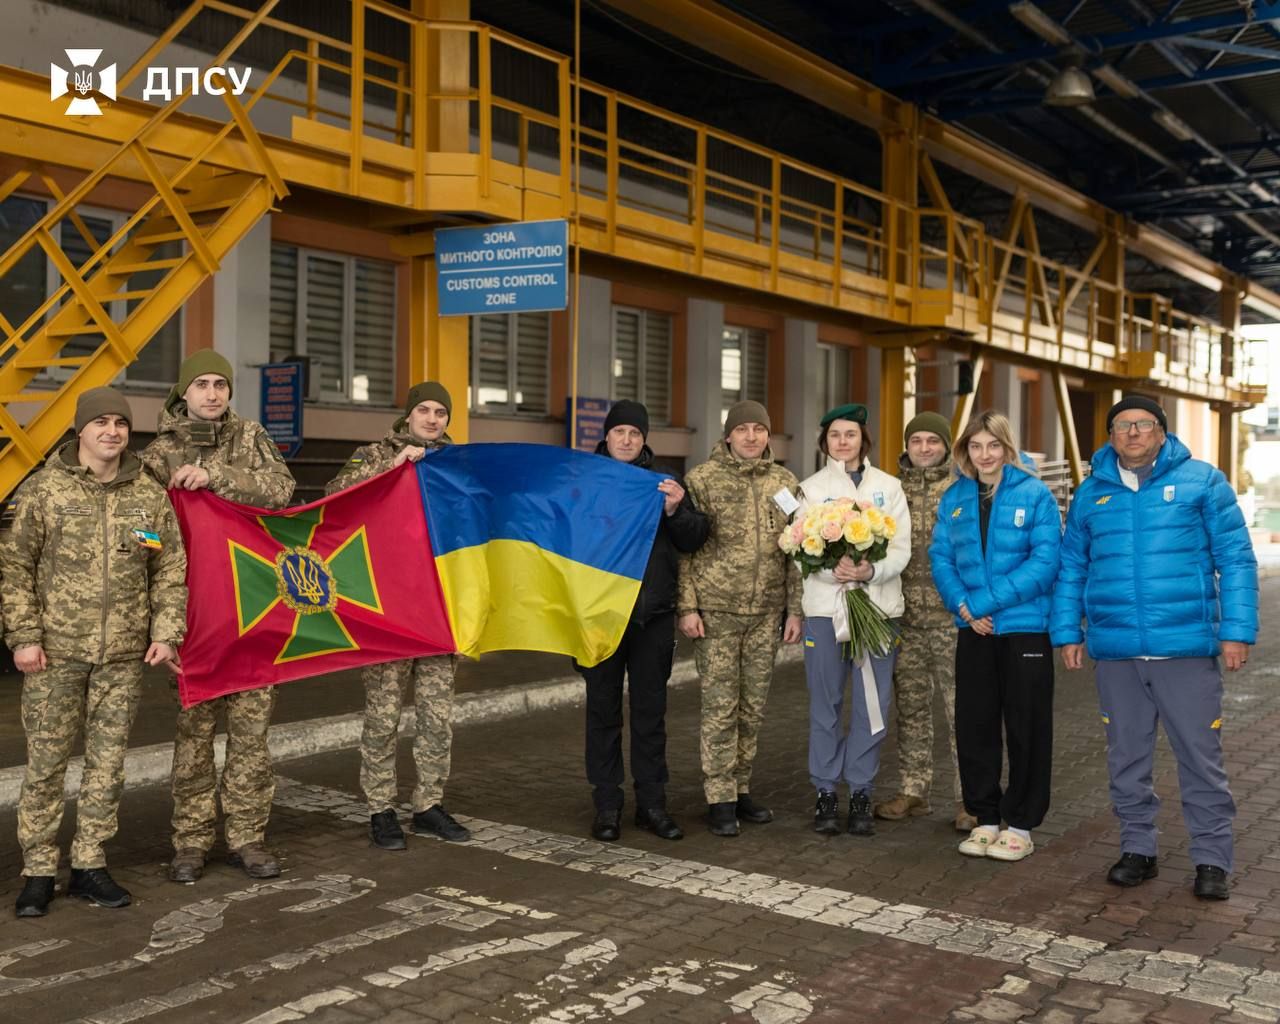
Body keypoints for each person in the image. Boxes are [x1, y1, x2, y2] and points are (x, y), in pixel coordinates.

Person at [1051, 395, 1257, 900]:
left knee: (1200, 760)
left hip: (1184, 650)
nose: (1134, 433)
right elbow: (1072, 567)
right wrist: (1067, 632)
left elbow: (1236, 559)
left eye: (1144, 425)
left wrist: (1237, 632)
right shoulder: (1091, 494)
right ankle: (1137, 848)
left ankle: (1211, 859)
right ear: (1111, 437)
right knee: (1126, 759)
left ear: (1162, 432)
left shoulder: (1202, 482)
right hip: (1117, 653)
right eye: (1123, 426)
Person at [4, 388, 186, 917]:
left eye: (120, 423)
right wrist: (24, 637)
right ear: (79, 430)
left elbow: (169, 569)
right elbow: (14, 568)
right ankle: (38, 869)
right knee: (46, 765)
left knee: (107, 766)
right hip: (54, 654)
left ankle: (88, 863)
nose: (112, 431)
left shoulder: (148, 496)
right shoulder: (45, 491)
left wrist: (165, 630)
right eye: (101, 422)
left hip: (124, 656)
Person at [142, 349, 295, 882]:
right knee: (194, 737)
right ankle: (190, 842)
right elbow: (144, 531)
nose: (212, 393)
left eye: (220, 385)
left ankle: (248, 837)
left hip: (252, 610)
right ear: (183, 392)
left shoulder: (251, 438)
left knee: (252, 738)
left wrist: (215, 475)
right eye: (202, 384)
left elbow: (282, 491)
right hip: (195, 614)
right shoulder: (157, 455)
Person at [326, 382, 470, 849]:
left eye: (440, 412)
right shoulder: (373, 454)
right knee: (383, 715)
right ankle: (380, 808)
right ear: (407, 415)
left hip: (440, 608)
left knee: (436, 715)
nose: (432, 419)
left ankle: (428, 804)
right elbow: (334, 496)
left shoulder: (457, 465)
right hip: (387, 607)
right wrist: (391, 468)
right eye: (424, 410)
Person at [929, 411, 1060, 863]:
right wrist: (962, 606)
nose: (985, 455)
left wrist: (981, 603)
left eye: (993, 446)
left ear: (1007, 447)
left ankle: (1021, 824)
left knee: (1027, 727)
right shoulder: (955, 497)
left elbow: (1045, 563)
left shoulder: (1035, 494)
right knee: (975, 725)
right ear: (966, 451)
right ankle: (985, 818)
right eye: (976, 446)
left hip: (1023, 629)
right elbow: (940, 557)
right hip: (975, 630)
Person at [580, 400, 709, 842]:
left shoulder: (663, 484)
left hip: (651, 617)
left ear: (644, 439)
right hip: (600, 617)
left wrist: (676, 511)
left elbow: (694, 538)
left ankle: (652, 804)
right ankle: (607, 804)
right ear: (607, 435)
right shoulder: (584, 482)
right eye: (620, 432)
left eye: (635, 434)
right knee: (602, 711)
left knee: (651, 714)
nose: (628, 440)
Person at [679, 400, 803, 837]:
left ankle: (742, 786)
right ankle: (719, 796)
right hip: (716, 613)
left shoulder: (785, 483)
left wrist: (794, 608)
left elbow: (797, 550)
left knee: (752, 709)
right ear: (728, 435)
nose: (751, 436)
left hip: (766, 614)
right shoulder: (701, 480)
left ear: (768, 435)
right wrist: (688, 607)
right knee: (719, 709)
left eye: (759, 429)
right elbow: (685, 552)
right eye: (743, 429)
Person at [796, 403, 910, 836]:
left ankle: (860, 789)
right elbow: (799, 547)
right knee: (825, 705)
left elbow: (900, 549)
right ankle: (826, 790)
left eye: (851, 434)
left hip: (877, 612)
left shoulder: (889, 488)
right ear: (824, 442)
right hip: (826, 614)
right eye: (835, 435)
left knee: (872, 705)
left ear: (865, 439)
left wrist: (869, 571)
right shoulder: (810, 489)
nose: (843, 442)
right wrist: (835, 570)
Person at [875, 412, 976, 833]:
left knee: (964, 712)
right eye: (916, 441)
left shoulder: (964, 490)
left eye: (932, 441)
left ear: (946, 446)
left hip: (956, 619)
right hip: (905, 619)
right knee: (912, 709)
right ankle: (914, 789)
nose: (924, 449)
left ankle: (970, 798)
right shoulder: (889, 491)